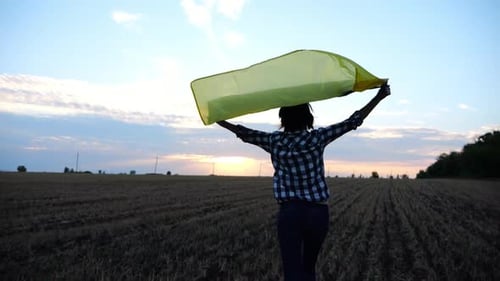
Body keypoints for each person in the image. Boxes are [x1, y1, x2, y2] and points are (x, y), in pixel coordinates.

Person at [216, 83, 391, 281]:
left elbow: (243, 132)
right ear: (309, 119)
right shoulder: (317, 138)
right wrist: (379, 96)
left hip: (289, 214)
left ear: (282, 119)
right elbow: (353, 121)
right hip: (318, 214)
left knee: (292, 273)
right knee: (309, 269)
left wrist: (217, 118)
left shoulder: (274, 141)